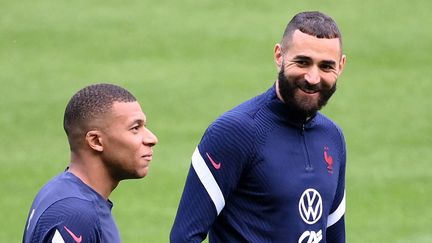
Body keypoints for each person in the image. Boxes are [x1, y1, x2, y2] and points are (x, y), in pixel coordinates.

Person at [170, 11, 347, 243]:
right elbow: (184, 236)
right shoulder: (233, 133)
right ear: (279, 55)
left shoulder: (332, 138)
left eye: (326, 67)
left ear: (341, 66)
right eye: (302, 62)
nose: (313, 78)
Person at [22, 83, 158, 243]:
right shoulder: (76, 215)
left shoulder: (59, 190)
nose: (152, 139)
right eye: (135, 128)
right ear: (96, 141)